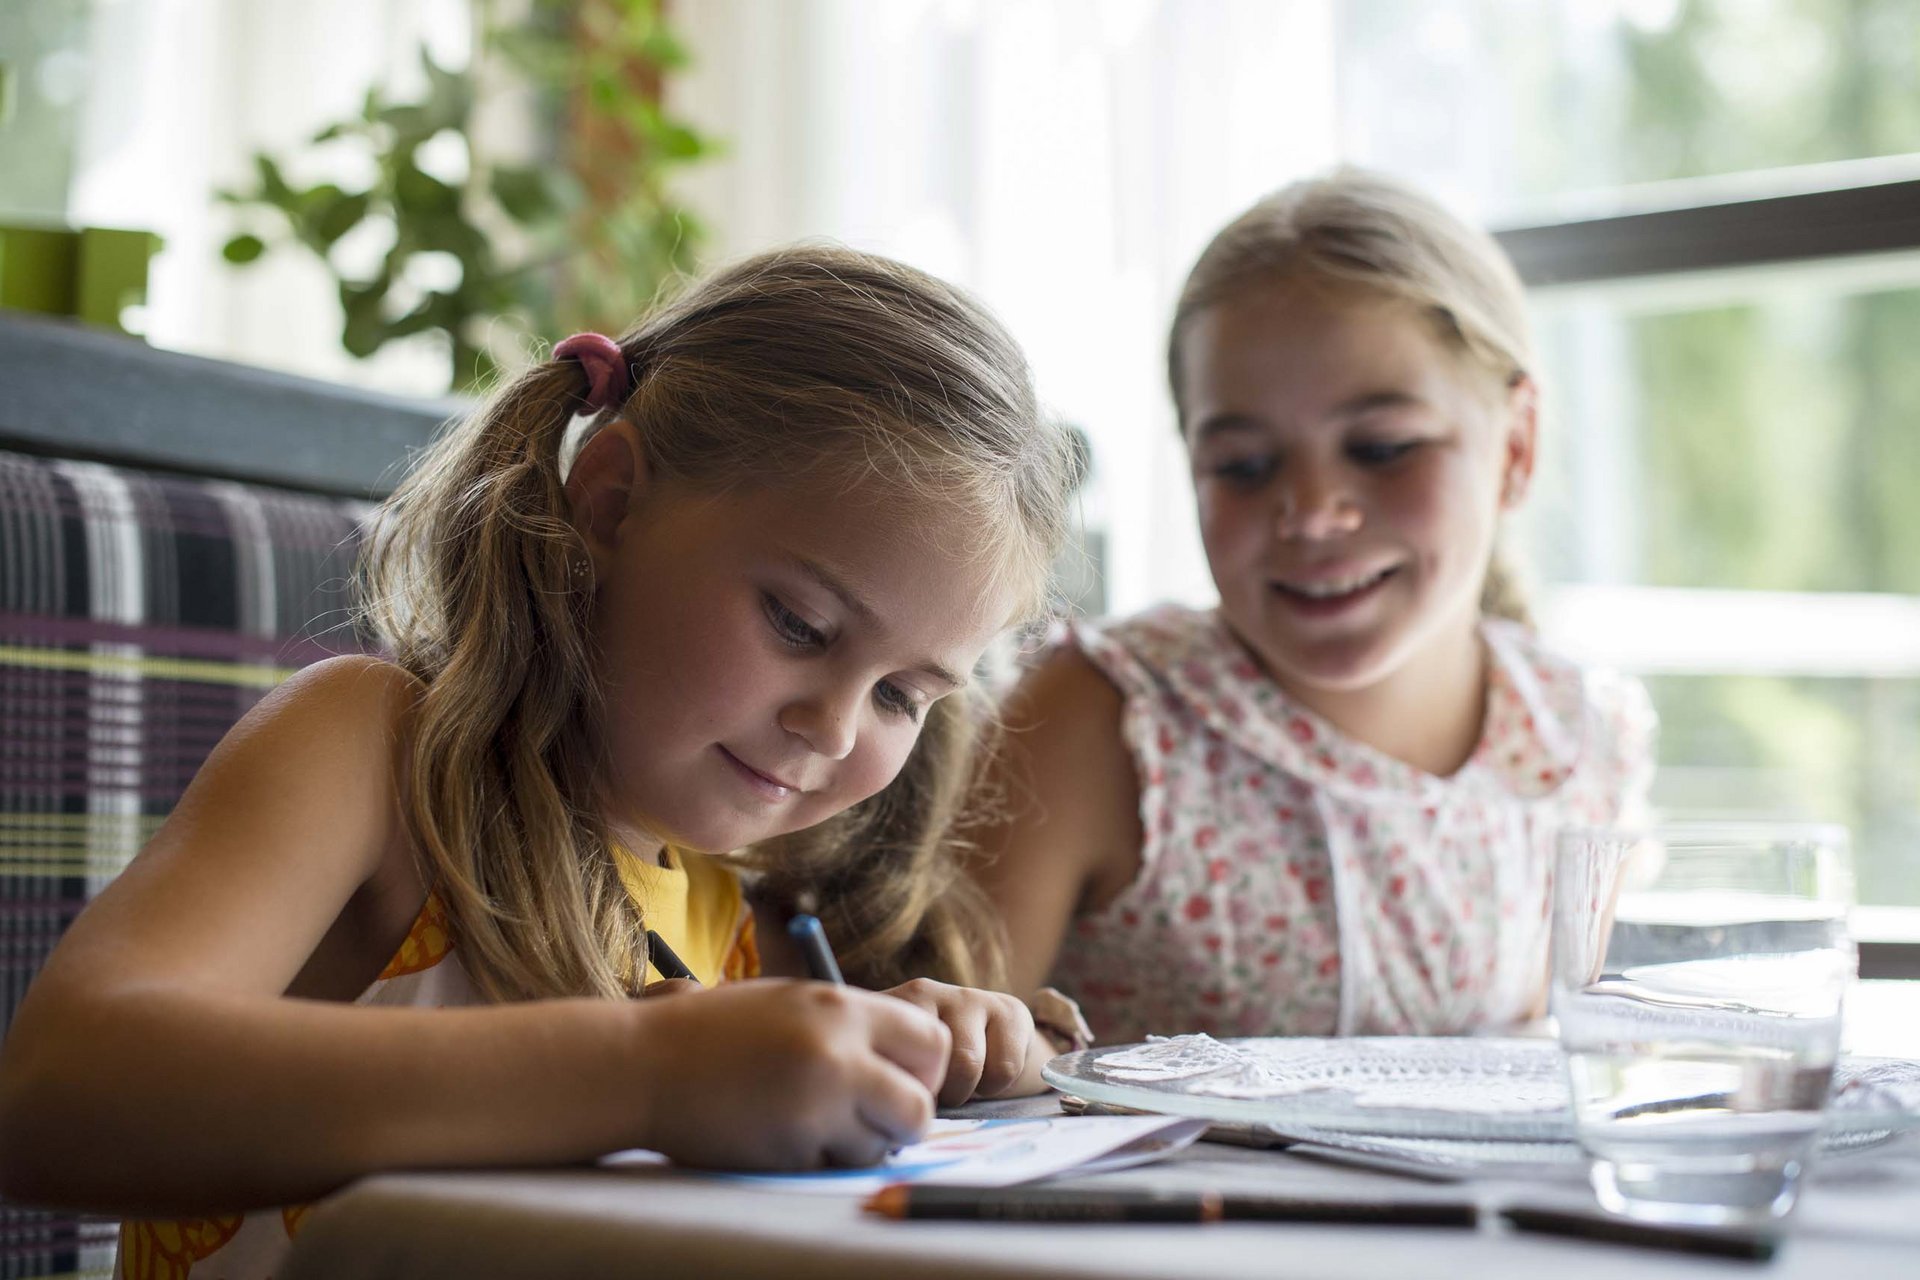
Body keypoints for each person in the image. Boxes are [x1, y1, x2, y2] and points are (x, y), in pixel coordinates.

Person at [0, 246, 1079, 1279]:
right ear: (610, 498)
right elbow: (56, 1094)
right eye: (799, 623)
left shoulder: (737, 908)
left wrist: (932, 1056)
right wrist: (646, 1074)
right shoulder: (376, 753)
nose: (836, 728)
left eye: (902, 696)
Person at [973, 170, 1655, 1047]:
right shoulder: (1102, 718)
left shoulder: (1582, 742)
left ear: (1515, 445)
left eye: (1381, 448)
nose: (1310, 512)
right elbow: (940, 1078)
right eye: (1245, 466)